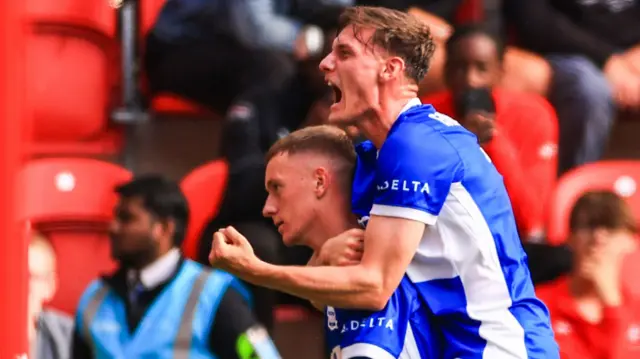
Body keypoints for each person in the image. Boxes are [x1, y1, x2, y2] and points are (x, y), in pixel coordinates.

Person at [209, 6, 558, 358]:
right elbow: (327, 296)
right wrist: (324, 259)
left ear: (390, 69)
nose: (325, 64)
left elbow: (373, 287)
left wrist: (257, 270)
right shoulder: (377, 156)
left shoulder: (417, 146)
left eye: (344, 53)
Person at [257, 125, 441, 358]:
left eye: (277, 188)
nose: (267, 208)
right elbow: (317, 297)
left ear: (319, 182)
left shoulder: (369, 279)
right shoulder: (340, 266)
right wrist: (324, 258)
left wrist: (253, 268)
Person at [71, 175, 280, 359]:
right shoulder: (94, 298)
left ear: (163, 229)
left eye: (126, 219)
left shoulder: (215, 296)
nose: (113, 227)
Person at [422, 23, 558, 243]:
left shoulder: (534, 114)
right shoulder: (424, 115)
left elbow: (530, 220)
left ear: (501, 71)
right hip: (443, 239)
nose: (470, 80)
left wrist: (493, 142)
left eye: (482, 68)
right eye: (459, 68)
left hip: (510, 240)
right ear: (446, 71)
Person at [506, 0, 640, 174]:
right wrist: (607, 59)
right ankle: (580, 194)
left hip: (632, 56)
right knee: (591, 90)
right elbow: (536, 22)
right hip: (567, 51)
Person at [536, 191, 640, 359]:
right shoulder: (539, 306)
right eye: (589, 226)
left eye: (612, 227)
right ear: (570, 238)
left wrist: (611, 303)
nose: (598, 237)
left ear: (631, 240)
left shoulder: (637, 312)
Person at [29, 232, 73, 359]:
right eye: (14, 276)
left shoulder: (66, 337)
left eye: (33, 277)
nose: (24, 286)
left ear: (49, 286)